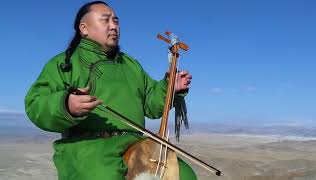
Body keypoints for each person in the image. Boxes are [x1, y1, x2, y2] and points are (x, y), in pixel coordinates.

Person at [25, 1, 195, 180]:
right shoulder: (64, 64)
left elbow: (151, 105)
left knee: (183, 175)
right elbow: (35, 104)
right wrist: (66, 105)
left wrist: (169, 89)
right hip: (88, 149)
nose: (114, 26)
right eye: (105, 20)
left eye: (116, 21)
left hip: (134, 144)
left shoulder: (131, 65)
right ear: (84, 28)